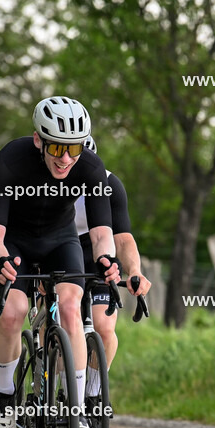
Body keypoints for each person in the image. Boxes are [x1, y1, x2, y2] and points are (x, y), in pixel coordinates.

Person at [0, 96, 120, 428]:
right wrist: (0, 261)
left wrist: (105, 259)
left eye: (74, 149)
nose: (66, 159)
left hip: (60, 240)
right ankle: (4, 395)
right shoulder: (8, 162)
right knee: (13, 312)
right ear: (39, 140)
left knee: (71, 307)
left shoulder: (89, 166)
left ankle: (76, 413)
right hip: (14, 243)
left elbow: (103, 233)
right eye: (58, 148)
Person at [73, 136, 151, 399]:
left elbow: (123, 237)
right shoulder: (49, 184)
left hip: (97, 252)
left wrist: (135, 271)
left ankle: (92, 395)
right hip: (56, 250)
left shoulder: (108, 183)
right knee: (57, 326)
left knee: (104, 329)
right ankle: (52, 393)